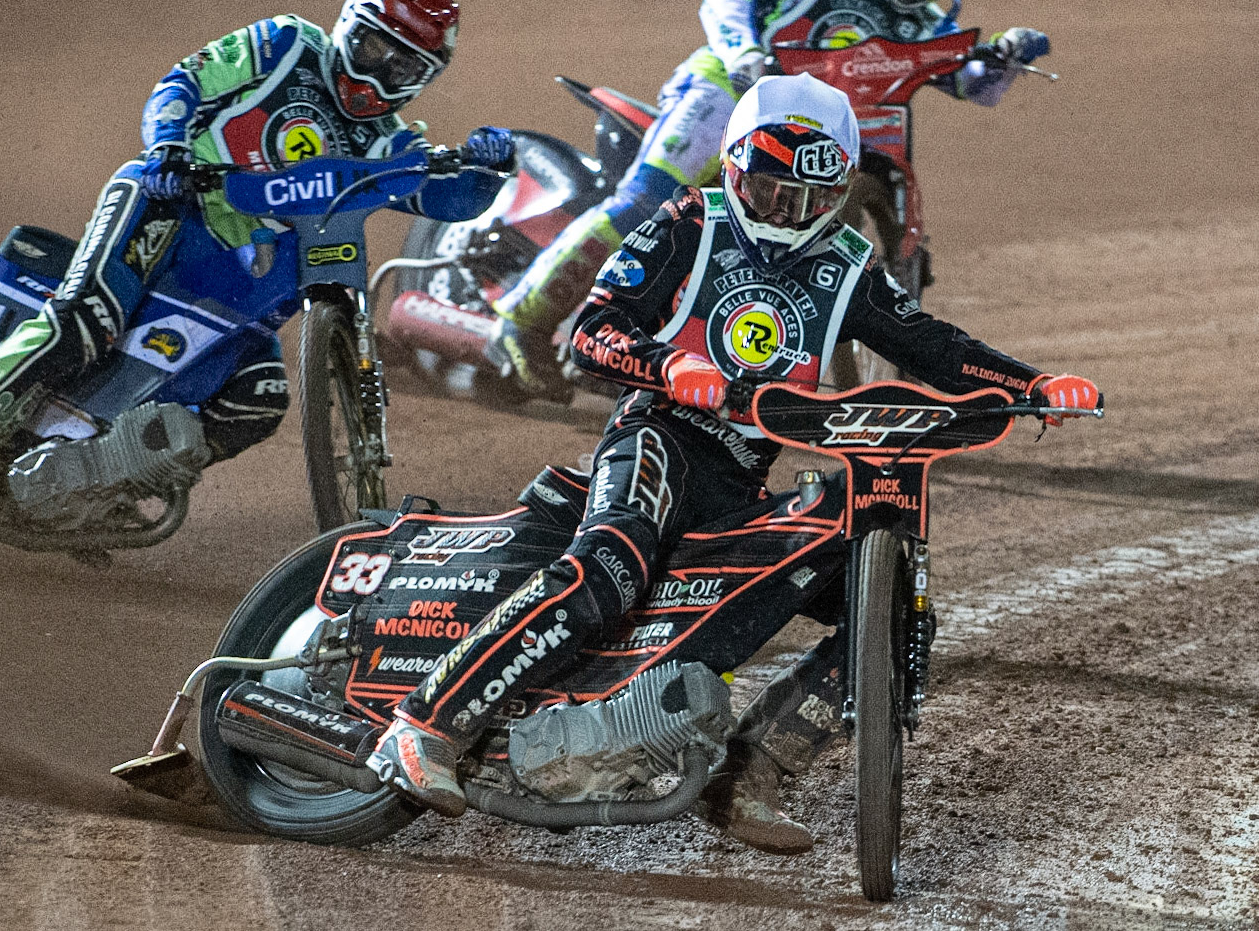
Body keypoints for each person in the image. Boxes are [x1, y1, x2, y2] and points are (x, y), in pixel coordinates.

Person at [368, 73, 1099, 853]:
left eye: (802, 197)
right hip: (655, 435)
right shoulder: (688, 221)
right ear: (731, 169)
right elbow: (593, 329)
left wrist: (1030, 383)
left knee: (883, 608)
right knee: (608, 565)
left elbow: (932, 344)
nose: (780, 211)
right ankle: (424, 723)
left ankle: (747, 774)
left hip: (737, 480)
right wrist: (664, 367)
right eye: (764, 188)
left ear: (836, 190)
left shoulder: (847, 265)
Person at [0, 0, 518, 536]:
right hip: (170, 205)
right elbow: (183, 81)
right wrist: (167, 148)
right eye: (374, 49)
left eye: (404, 69)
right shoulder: (287, 45)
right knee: (82, 324)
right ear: (348, 28)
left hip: (240, 277)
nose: (379, 77)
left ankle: (109, 476)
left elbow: (443, 202)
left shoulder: (386, 143)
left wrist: (486, 169)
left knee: (260, 400)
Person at [485, 0, 1053, 395]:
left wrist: (1004, 56)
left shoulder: (932, 17)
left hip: (815, 123)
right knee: (647, 202)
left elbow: (966, 82)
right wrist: (744, 53)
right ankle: (520, 320)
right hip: (730, 86)